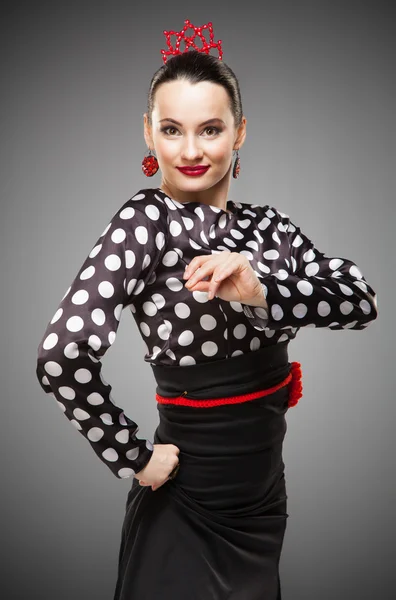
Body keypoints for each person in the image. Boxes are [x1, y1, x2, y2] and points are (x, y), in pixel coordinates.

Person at [35, 19, 378, 600]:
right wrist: (133, 456)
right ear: (148, 133)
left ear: (240, 132)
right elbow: (61, 356)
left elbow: (360, 301)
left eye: (211, 129)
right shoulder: (146, 221)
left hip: (264, 505)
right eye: (172, 130)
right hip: (186, 504)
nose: (190, 151)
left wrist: (259, 287)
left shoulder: (268, 227)